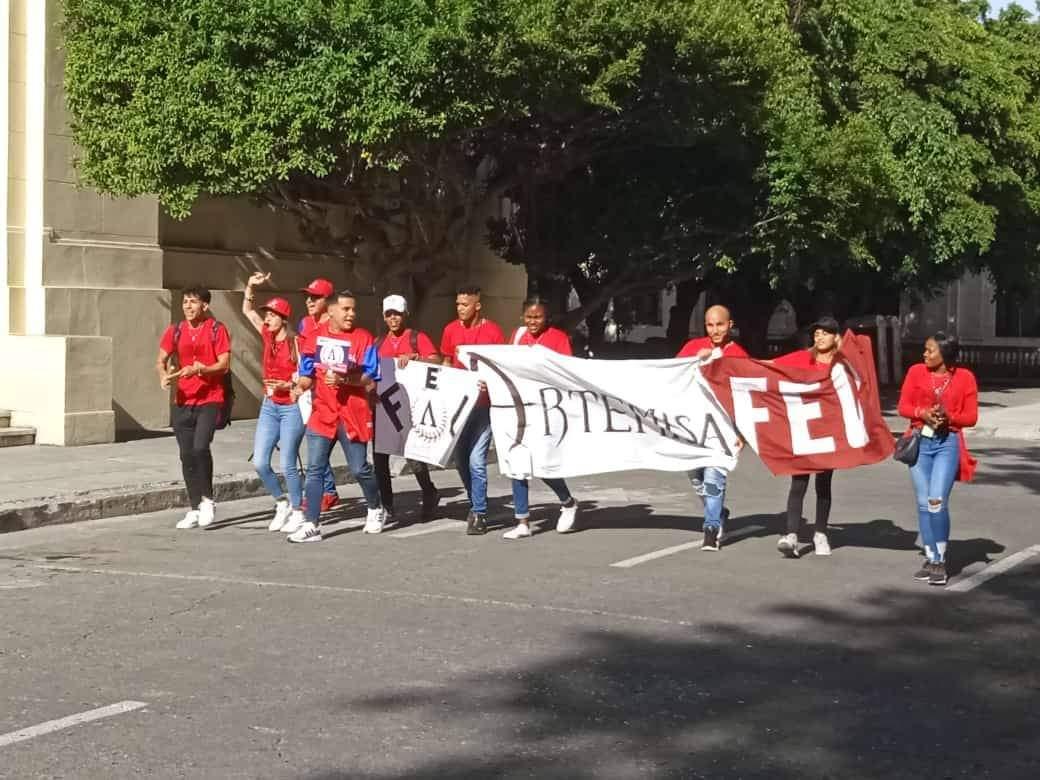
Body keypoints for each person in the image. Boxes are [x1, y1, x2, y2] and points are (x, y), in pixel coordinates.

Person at [288, 290, 384, 543]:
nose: (351, 314)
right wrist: (300, 387)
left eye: (353, 309)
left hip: (352, 413)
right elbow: (308, 374)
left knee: (359, 468)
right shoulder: (314, 338)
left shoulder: (363, 338)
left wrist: (345, 379)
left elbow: (370, 376)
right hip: (323, 413)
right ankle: (311, 524)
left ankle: (375, 507)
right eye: (346, 309)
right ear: (330, 311)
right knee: (315, 470)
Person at [897, 332, 978, 586]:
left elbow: (971, 416)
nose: (925, 354)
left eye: (930, 350)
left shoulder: (964, 377)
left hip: (947, 443)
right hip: (920, 442)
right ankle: (930, 557)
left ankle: (940, 560)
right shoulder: (915, 372)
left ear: (945, 354)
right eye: (925, 349)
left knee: (936, 501)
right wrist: (923, 413)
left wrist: (948, 417)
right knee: (923, 503)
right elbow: (903, 406)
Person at [501, 296, 580, 540]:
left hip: (548, 409)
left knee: (544, 464)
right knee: (518, 463)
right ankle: (522, 521)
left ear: (546, 318)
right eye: (529, 317)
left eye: (538, 317)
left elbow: (567, 373)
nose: (533, 321)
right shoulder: (517, 336)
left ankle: (568, 502)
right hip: (520, 407)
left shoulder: (558, 338)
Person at [156, 286, 231, 530]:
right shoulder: (175, 331)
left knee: (200, 447)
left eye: (193, 302)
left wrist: (201, 369)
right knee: (185, 454)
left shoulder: (217, 330)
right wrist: (164, 375)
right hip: (183, 401)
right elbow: (161, 359)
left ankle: (208, 499)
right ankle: (194, 507)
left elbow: (224, 364)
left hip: (210, 398)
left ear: (205, 306)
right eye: (185, 302)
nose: (188, 306)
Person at [676, 305, 749, 551]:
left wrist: (742, 433)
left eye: (720, 324)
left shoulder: (739, 355)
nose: (715, 330)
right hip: (693, 425)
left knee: (713, 478)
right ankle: (719, 513)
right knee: (695, 476)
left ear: (730, 324)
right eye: (710, 325)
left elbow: (746, 397)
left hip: (723, 428)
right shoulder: (692, 348)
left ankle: (711, 528)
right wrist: (695, 361)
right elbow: (672, 376)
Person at [772, 316, 842, 558]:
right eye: (816, 333)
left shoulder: (842, 364)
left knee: (824, 485)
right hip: (803, 428)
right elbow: (770, 367)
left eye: (825, 332)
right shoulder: (803, 357)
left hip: (828, 431)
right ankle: (791, 535)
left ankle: (820, 533)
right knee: (798, 483)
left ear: (836, 337)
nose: (819, 337)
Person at [242, 272, 306, 533]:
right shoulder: (267, 336)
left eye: (271, 314)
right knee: (260, 462)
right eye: (266, 314)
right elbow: (247, 310)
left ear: (283, 319)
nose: (266, 318)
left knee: (288, 463)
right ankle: (281, 502)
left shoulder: (295, 343)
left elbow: (306, 377)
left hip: (291, 407)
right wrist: (250, 286)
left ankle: (299, 510)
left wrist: (289, 385)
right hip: (269, 406)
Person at [440, 285, 505, 535]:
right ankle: (476, 499)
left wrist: (489, 383)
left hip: (483, 407)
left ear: (477, 305)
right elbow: (446, 361)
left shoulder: (493, 331)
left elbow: (500, 367)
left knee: (477, 461)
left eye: (464, 304)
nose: (460, 308)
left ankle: (479, 513)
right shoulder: (450, 330)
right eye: (457, 304)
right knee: (460, 460)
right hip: (458, 407)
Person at [373, 294, 442, 523]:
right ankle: (387, 504)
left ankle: (429, 491)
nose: (393, 318)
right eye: (389, 314)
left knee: (413, 454)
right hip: (383, 408)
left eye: (397, 314)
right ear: (384, 317)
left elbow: (437, 361)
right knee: (380, 457)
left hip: (410, 406)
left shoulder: (416, 338)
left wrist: (416, 357)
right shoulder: (378, 343)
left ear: (405, 315)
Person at [297, 277, 340, 515]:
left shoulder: (336, 324)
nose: (310, 301)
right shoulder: (304, 324)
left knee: (356, 461)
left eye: (315, 297)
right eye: (308, 297)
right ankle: (327, 492)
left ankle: (375, 504)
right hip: (311, 392)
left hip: (336, 393)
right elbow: (304, 357)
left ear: (328, 301)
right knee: (315, 443)